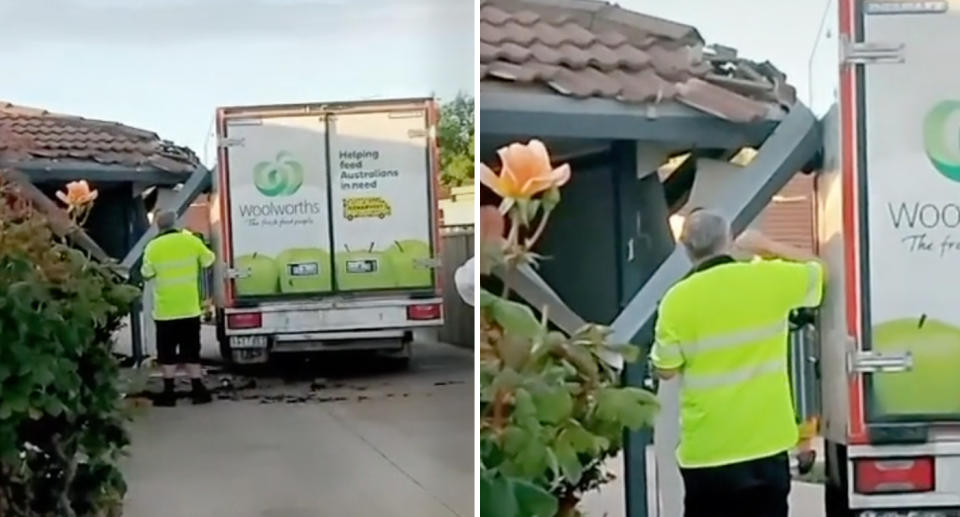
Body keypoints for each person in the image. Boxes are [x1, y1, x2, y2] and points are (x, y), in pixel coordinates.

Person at [651, 209, 825, 517]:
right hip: (766, 448)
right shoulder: (768, 280)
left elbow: (666, 370)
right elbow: (821, 271)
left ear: (686, 248)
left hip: (707, 454)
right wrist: (765, 245)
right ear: (728, 240)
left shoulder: (675, 301)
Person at [141, 210, 216, 406]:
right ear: (176, 223)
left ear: (158, 226)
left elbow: (147, 273)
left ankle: (168, 392)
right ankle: (198, 389)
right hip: (189, 308)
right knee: (191, 350)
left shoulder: (153, 246)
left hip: (165, 311)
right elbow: (209, 260)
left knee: (167, 353)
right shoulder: (190, 241)